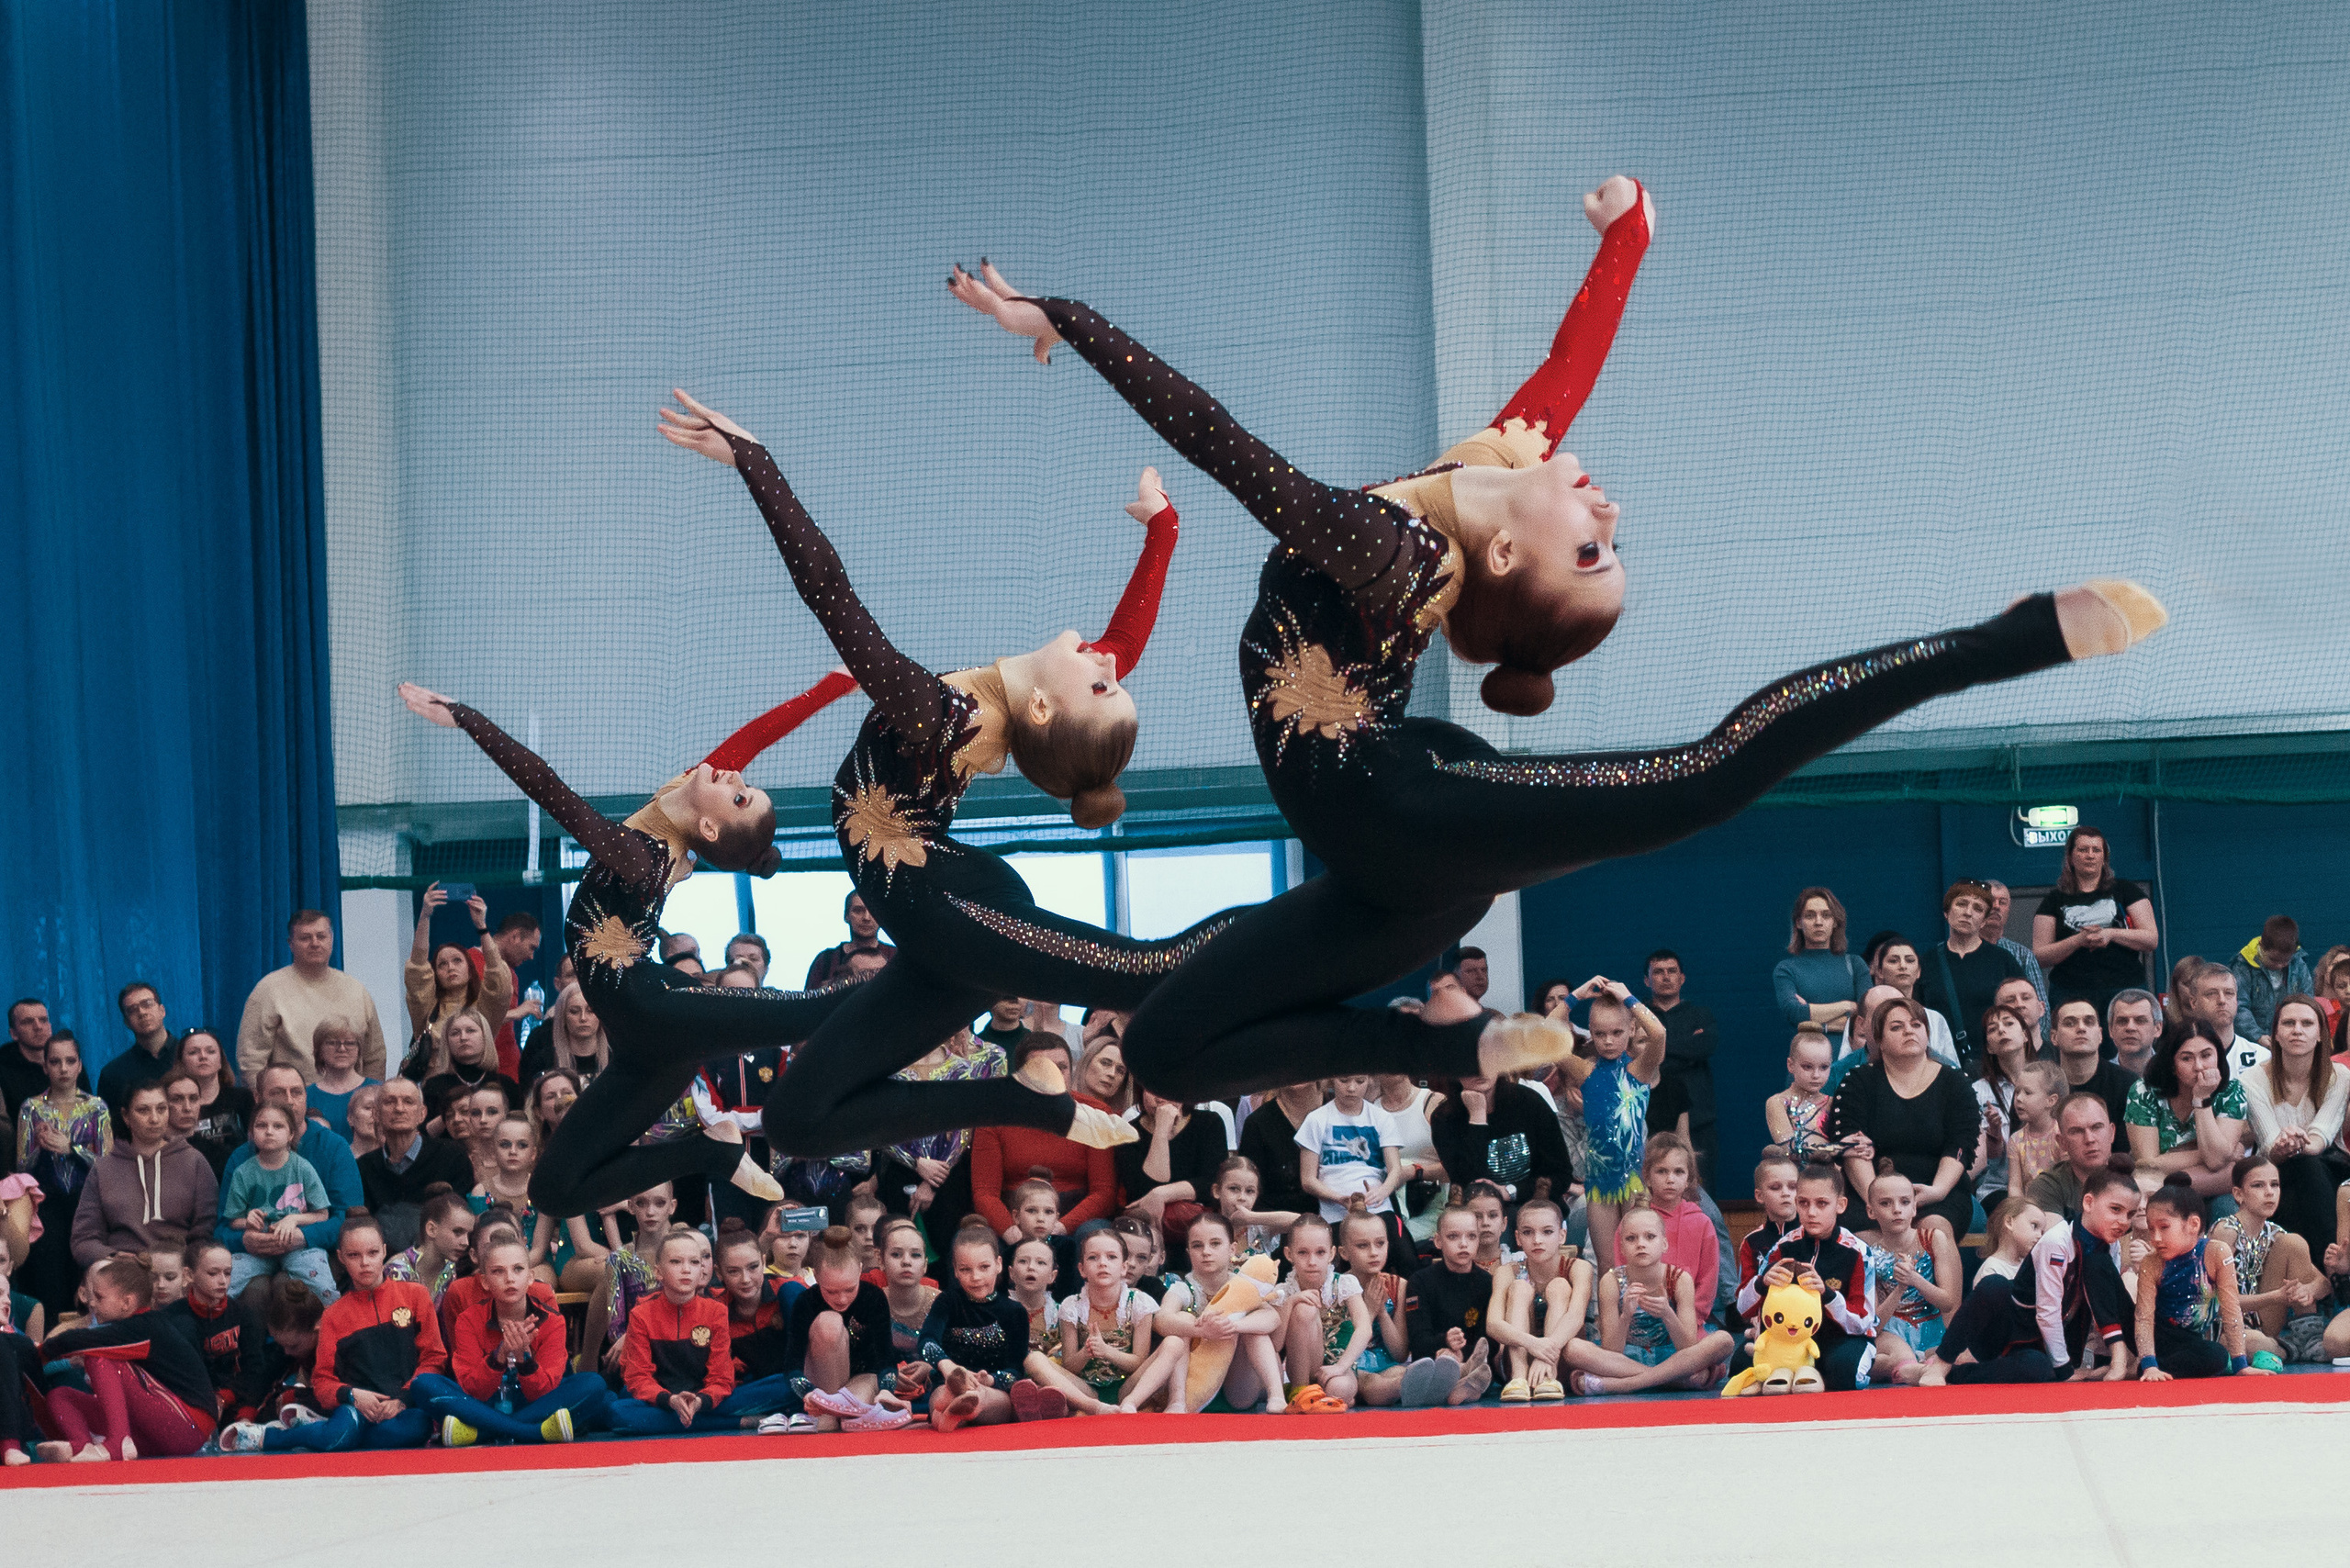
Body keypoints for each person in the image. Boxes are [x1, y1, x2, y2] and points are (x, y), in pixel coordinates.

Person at [952, 196, 2165, 1120]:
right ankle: (1449, 1050)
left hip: (1401, 813)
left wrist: (1058, 315)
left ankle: (2004, 640)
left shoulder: (1389, 551)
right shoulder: (1492, 472)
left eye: (1591, 547)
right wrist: (1627, 237)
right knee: (1161, 1055)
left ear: (1500, 569)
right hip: (1386, 861)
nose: (1609, 513)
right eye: (1605, 545)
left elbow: (1215, 441)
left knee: (1703, 777)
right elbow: (1565, 375)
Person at [655, 394, 1246, 1182]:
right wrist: (1162, 530)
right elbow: (1126, 641)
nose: (1108, 663)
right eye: (1111, 678)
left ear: (1047, 708)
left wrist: (756, 466)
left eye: (1106, 684)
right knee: (799, 1119)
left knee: (1146, 967)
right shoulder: (1028, 710)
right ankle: (1030, 1096)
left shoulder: (934, 713)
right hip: (944, 908)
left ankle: (1308, 940)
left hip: (953, 906)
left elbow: (829, 592)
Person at [399, 667, 871, 1223]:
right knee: (553, 1190)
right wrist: (835, 685)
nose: (735, 777)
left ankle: (904, 982)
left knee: (811, 1011)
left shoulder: (639, 854)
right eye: (745, 787)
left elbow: (549, 788)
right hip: (643, 1040)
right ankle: (706, 1151)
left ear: (712, 829)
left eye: (740, 796)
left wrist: (466, 717)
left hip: (649, 1001)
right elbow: (757, 734)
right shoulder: (690, 793)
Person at [219, 1215, 447, 1453]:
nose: (365, 1263)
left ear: (384, 1252)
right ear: (340, 1258)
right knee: (341, 1434)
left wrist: (403, 1399)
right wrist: (351, 1395)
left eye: (372, 1253)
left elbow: (434, 1358)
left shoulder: (415, 1296)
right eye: (353, 1255)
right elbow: (323, 1382)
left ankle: (324, 1430)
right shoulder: (333, 1315)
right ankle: (268, 1436)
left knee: (413, 1429)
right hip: (357, 1409)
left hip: (404, 1409)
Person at [1904, 1168, 2136, 1385]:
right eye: (2116, 1210)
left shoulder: (2108, 1247)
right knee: (1994, 1285)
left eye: (2131, 1214)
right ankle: (1941, 1363)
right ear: (2088, 1202)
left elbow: (2111, 1302)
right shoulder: (2058, 1241)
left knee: (2038, 1369)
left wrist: (2144, 1358)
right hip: (2011, 1325)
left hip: (2041, 1340)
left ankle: (1957, 1374)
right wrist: (2065, 1371)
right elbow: (2047, 1311)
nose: (2124, 1222)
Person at [416, 1236, 608, 1445]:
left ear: (531, 1277)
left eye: (518, 1269)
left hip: (535, 1406)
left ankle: (481, 1433)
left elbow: (544, 1392)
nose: (509, 1278)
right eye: (498, 1271)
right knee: (423, 1384)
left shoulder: (553, 1321)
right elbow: (473, 1390)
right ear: (485, 1281)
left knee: (593, 1384)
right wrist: (499, 1356)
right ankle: (534, 1432)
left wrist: (524, 1359)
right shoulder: (468, 1320)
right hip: (485, 1404)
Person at [30, 1257, 217, 1462]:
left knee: (99, 1356)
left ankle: (117, 1442)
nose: (92, 1303)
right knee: (60, 1395)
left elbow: (86, 1341)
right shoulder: (133, 1329)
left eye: (99, 1298)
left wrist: (41, 1352)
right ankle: (81, 1446)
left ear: (127, 1302)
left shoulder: (147, 1327)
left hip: (188, 1427)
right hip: (156, 1429)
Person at [1828, 996, 1979, 1238]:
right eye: (1897, 1027)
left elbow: (1961, 1144)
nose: (1909, 1030)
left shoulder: (1955, 1082)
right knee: (1865, 1239)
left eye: (1916, 1025)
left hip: (1936, 1191)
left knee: (1934, 1234)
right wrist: (1878, 1201)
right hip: (1872, 1191)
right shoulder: (1857, 1082)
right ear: (1879, 1040)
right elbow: (1852, 1149)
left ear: (1927, 1033)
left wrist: (1937, 1190)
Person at [1552, 978, 1667, 1268]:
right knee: (1606, 1265)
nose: (1608, 1040)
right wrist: (1577, 994)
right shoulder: (1586, 1073)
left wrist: (1629, 998)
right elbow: (1545, 1032)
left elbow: (1659, 1033)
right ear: (1590, 1033)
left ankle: (1640, 1314)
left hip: (1634, 1182)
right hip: (1599, 1185)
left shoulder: (1639, 1071)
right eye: (1600, 1034)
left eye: (1617, 1032)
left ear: (1630, 1030)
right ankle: (1607, 1316)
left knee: (1640, 1262)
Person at [214, 1064, 364, 1282]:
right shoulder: (241, 1157)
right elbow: (223, 1226)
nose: (290, 1100)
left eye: (296, 1092)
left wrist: (304, 1237)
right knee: (253, 1289)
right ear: (258, 1097)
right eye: (277, 1093)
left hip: (316, 1251)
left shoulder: (333, 1147)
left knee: (291, 1287)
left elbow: (350, 1218)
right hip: (253, 1254)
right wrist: (244, 1240)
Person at [970, 1033, 1119, 1241]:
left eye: (1062, 1067)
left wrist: (1061, 1226)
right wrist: (1010, 1231)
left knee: (1095, 1236)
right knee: (974, 1239)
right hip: (1014, 1213)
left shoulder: (1097, 1113)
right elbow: (985, 1193)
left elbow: (1104, 1193)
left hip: (1075, 1214)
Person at [1745, 1164, 1879, 1390]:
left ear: (1841, 1205)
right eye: (1804, 1203)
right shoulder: (1783, 1247)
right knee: (1740, 1364)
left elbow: (1863, 1322)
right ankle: (1808, 1374)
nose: (1811, 1212)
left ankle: (1825, 1372)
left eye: (1822, 1203)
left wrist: (1828, 1295)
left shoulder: (1858, 1252)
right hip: (1793, 1341)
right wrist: (1761, 1283)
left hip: (1844, 1339)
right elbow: (1743, 1310)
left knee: (1844, 1373)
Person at [1142, 1210, 1287, 1414]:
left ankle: (1277, 1396)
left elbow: (1272, 1318)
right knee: (1181, 1320)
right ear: (1188, 1252)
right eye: (1197, 1245)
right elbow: (1162, 1320)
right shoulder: (1183, 1289)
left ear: (1232, 1249)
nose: (1206, 1251)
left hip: (1237, 1393)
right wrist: (1202, 1330)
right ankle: (1177, 1402)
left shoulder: (1243, 1287)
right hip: (1192, 1387)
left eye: (1215, 1243)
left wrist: (1233, 1325)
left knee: (1255, 1330)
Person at [1585, 1201, 1735, 1394]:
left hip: (1672, 1356)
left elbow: (1687, 1346)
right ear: (1621, 1247)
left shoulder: (1680, 1279)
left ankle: (1623, 1385)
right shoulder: (1611, 1280)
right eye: (1631, 1238)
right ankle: (1672, 1380)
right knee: (1574, 1349)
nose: (1641, 1244)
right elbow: (1612, 1350)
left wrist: (1667, 1313)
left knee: (1724, 1340)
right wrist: (1626, 1316)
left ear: (1664, 1243)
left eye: (1650, 1237)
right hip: (1628, 1358)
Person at [71, 1081, 217, 1270]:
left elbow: (206, 1231)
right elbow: (84, 1239)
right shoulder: (104, 1167)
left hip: (178, 1269)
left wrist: (182, 1263)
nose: (154, 1119)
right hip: (122, 1268)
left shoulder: (194, 1161)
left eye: (161, 1109)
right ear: (126, 1116)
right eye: (143, 1110)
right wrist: (112, 1256)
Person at [913, 1226, 1044, 1431]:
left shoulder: (1014, 1312)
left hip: (991, 1393)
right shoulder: (947, 1302)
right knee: (940, 1396)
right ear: (955, 1270)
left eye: (984, 1267)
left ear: (998, 1264)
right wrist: (948, 1368)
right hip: (947, 1384)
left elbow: (1016, 1369)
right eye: (966, 1269)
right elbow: (926, 1340)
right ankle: (949, 1412)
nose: (975, 1277)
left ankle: (966, 1406)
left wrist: (990, 1379)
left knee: (982, 1396)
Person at [236, 910, 390, 1083]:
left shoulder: (356, 990)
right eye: (305, 938)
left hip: (352, 1103)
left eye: (321, 936)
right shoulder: (269, 990)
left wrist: (370, 1097)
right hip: (290, 1101)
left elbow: (375, 1055)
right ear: (290, 944)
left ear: (331, 940)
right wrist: (267, 1103)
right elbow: (251, 1060)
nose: (315, 943)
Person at [2239, 996, 2344, 1251]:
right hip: (2274, 1171)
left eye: (2307, 1023)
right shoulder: (2251, 1079)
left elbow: (2322, 1136)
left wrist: (2298, 1145)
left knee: (2308, 1166)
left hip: (2329, 1168)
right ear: (2275, 1033)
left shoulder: (2340, 1076)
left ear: (2321, 1034)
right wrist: (2283, 1146)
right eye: (2288, 1023)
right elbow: (2268, 1145)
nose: (2297, 1030)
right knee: (2300, 1172)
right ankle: (2330, 1270)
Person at [16, 1032, 110, 1313]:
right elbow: (22, 1169)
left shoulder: (96, 1107)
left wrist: (72, 1148)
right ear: (44, 1066)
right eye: (55, 1062)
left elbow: (107, 1165)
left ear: (80, 1065)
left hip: (87, 1203)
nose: (64, 1068)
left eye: (70, 1061)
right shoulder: (31, 1108)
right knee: (50, 1277)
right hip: (46, 1205)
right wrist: (41, 1147)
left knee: (86, 1274)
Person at [787, 1226, 913, 1432]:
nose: (842, 1299)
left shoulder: (873, 1297)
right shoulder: (805, 1303)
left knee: (849, 1419)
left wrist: (887, 1390)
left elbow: (885, 1356)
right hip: (821, 1382)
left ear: (860, 1269)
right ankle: (833, 1414)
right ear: (816, 1276)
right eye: (831, 1291)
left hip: (862, 1378)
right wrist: (808, 1392)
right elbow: (792, 1364)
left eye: (850, 1288)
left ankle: (848, 1413)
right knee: (829, 1322)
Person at [2133, 1176, 2260, 1381]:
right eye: (2151, 1229)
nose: (2155, 1238)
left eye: (2164, 1227)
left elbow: (2231, 1308)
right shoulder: (2152, 1262)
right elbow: (2144, 1317)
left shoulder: (2216, 1252)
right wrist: (2149, 1364)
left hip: (2188, 1341)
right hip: (2159, 1332)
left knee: (2217, 1355)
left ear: (2193, 1224)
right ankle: (2148, 1365)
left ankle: (2157, 1367)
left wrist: (2240, 1364)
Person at [2029, 827, 2159, 1023]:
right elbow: (2039, 956)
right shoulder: (2053, 900)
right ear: (2071, 857)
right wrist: (2078, 940)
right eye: (2083, 850)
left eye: (2096, 850)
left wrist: (2110, 934)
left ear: (2104, 857)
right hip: (2071, 993)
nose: (2090, 855)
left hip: (2124, 990)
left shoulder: (2126, 891)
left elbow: (2151, 939)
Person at [2212, 1158, 2325, 1363]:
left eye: (2275, 1184)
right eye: (2258, 1185)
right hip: (2224, 1326)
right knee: (2252, 1343)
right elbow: (2219, 1303)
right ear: (2238, 1194)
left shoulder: (2275, 1233)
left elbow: (2323, 1283)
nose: (2269, 1192)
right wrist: (2276, 1297)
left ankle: (2308, 1339)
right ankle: (2289, 1350)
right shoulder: (2226, 1232)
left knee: (2295, 1242)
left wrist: (2308, 1291)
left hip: (2262, 1322)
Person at [219, 1103, 334, 1300]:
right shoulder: (243, 1172)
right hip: (258, 1248)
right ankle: (218, 1324)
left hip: (297, 1245)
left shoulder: (303, 1168)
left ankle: (330, 1323)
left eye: (278, 1126)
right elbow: (232, 1220)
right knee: (225, 1283)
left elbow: (322, 1214)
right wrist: (247, 1220)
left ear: (291, 1134)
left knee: (322, 1282)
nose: (269, 1132)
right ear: (251, 1132)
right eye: (261, 1126)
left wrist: (293, 1219)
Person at [1428, 1067, 1575, 1220]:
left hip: (1534, 1208)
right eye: (1469, 1064)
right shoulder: (1444, 1118)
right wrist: (1477, 1120)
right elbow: (1467, 1182)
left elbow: (1561, 1174)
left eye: (1486, 1062)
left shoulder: (1529, 1103)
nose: (1479, 1070)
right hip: (1478, 1215)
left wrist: (1510, 1191)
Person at [404, 883, 514, 1083]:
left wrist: (482, 927)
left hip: (481, 1091)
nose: (450, 967)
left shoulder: (485, 1009)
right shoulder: (426, 1008)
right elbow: (417, 968)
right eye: (442, 964)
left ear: (470, 969)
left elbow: (500, 981)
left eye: (457, 961)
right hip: (434, 1093)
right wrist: (425, 916)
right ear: (435, 973)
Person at [1482, 1197, 1588, 1402]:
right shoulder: (1506, 1272)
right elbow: (1492, 1324)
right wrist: (1533, 1345)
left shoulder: (1578, 1268)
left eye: (1547, 1232)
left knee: (1559, 1286)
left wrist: (1547, 1353)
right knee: (1520, 1287)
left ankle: (1548, 1375)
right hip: (1515, 1363)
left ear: (1561, 1235)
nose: (1537, 1240)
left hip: (1560, 1361)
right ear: (1518, 1238)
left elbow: (1576, 1316)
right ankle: (1519, 1378)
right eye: (1528, 1232)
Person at [2126, 1021, 2246, 1201]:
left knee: (2229, 1190)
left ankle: (2173, 1187)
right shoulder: (2144, 1091)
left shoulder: (2231, 1091)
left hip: (2207, 1188)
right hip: (2155, 1192)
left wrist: (2201, 1099)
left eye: (2206, 1056)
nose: (2199, 1066)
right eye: (2187, 1058)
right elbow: (2148, 1165)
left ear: (2219, 1057)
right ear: (2172, 1065)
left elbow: (2215, 1161)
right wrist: (2214, 1153)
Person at [1855, 1168, 1958, 1372]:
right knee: (1903, 1358)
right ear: (1871, 1211)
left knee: (1958, 1355)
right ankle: (1912, 1369)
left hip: (1931, 1327)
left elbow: (1947, 1303)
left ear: (1914, 1208)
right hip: (1890, 1331)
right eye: (1885, 1203)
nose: (1896, 1209)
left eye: (1904, 1202)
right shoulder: (1867, 1252)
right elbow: (1874, 1325)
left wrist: (1915, 1279)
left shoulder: (1933, 1238)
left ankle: (1916, 1369)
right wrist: (1900, 1288)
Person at [355, 1077, 476, 1249]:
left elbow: (460, 1223)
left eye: (408, 1102)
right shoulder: (364, 1167)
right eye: (390, 1102)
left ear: (422, 1114)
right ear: (376, 1114)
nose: (399, 1108)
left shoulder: (452, 1156)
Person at [1915, 881, 2024, 1070]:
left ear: (1983, 920)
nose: (1968, 912)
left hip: (1996, 1062)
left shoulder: (2003, 960)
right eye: (1961, 904)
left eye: (1978, 908)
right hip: (1940, 1064)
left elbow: (2023, 1010)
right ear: (1946, 912)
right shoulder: (1926, 963)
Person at [1398, 1207, 1496, 1407]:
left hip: (1472, 1361)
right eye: (1453, 1236)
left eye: (1471, 1236)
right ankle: (1459, 1383)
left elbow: (1491, 1342)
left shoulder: (1487, 1282)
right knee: (1444, 1365)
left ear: (1479, 1240)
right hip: (1433, 1361)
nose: (1463, 1244)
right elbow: (1417, 1340)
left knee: (1480, 1368)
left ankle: (1463, 1383)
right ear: (1438, 1241)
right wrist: (1443, 1342)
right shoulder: (1420, 1281)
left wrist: (1463, 1354)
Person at [1116, 1088, 1231, 1249]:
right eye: (1152, 1088)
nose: (1161, 1099)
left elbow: (1212, 1183)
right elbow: (1143, 1191)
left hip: (1198, 1228)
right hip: (1148, 1232)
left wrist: (1162, 1194)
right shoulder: (1128, 1132)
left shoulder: (1209, 1122)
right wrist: (1161, 1131)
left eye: (1168, 1088)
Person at [1058, 1226, 1155, 1411]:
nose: (1102, 1263)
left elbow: (1139, 1362)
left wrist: (1106, 1351)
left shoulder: (1139, 1302)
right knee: (1034, 1360)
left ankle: (1131, 1403)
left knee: (1174, 1343)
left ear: (1123, 1267)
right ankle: (1093, 1407)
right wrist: (1086, 1353)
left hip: (1127, 1387)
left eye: (1111, 1257)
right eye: (1093, 1257)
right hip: (1086, 1390)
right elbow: (1069, 1367)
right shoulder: (1072, 1306)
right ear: (1082, 1269)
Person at [1644, 949, 1718, 1181]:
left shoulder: (1701, 1015)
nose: (1666, 977)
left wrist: (1657, 1046)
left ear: (1682, 978)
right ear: (1647, 980)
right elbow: (1637, 1056)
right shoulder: (1640, 1016)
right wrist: (1686, 1049)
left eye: (1671, 971)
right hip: (1650, 1119)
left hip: (1699, 1120)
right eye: (1658, 972)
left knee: (1700, 1189)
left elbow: (1705, 1047)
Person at [1773, 889, 1872, 1039]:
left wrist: (1815, 1019)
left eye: (1826, 915)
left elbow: (1867, 1018)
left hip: (1854, 1058)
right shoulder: (1786, 969)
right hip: (1809, 1058)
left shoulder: (1855, 964)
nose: (1818, 922)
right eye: (1810, 916)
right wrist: (1848, 1006)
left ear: (1835, 922)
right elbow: (1795, 1013)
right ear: (1799, 922)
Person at [2026, 1094, 2123, 1222]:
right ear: (2062, 1142)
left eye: (2097, 1127)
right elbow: (2055, 1241)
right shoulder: (2046, 1187)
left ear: (2111, 1133)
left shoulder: (2134, 1179)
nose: (2089, 1139)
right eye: (2077, 1131)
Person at [2050, 999, 2134, 1144]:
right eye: (2070, 1023)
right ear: (2054, 1037)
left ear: (2100, 1035)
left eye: (2089, 1022)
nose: (2081, 1028)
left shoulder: (2129, 1085)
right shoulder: (2039, 1085)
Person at [1236, 1080, 1321, 1222]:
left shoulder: (1340, 1114)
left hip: (1337, 1224)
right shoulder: (1257, 1123)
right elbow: (1251, 1191)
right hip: (1274, 1227)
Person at [95, 981, 178, 1127]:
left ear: (162, 1010)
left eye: (147, 1004)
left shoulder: (191, 1056)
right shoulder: (112, 1074)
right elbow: (110, 1133)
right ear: (126, 1022)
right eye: (133, 1010)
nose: (142, 1012)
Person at [173, 1028, 252, 1170]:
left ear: (221, 1061)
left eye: (210, 1051)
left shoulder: (243, 1098)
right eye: (193, 1052)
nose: (203, 1056)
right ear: (182, 1063)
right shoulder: (172, 1103)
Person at [2229, 916, 2313, 1045]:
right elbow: (2239, 1006)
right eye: (2274, 960)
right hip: (2254, 1040)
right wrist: (2257, 1036)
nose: (2280, 965)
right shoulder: (2243, 966)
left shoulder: (2298, 964)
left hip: (2290, 1037)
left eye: (2286, 961)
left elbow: (2307, 1000)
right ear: (2262, 946)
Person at [0, 998, 78, 1127]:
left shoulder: (69, 1060)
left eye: (43, 1020)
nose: (38, 1027)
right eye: (28, 1022)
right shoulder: (3, 1068)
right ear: (13, 1034)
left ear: (50, 1027)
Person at [2181, 962, 2269, 1077]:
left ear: (2236, 1000)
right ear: (2193, 1002)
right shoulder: (2179, 1058)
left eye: (2229, 993)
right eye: (2211, 994)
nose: (2222, 1000)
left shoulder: (2262, 1058)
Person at [1980, 881, 2051, 1021]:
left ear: (2009, 908)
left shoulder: (2023, 955)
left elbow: (2042, 1012)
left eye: (2003, 902)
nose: (1996, 907)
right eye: (1990, 900)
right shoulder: (1964, 953)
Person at [1764, 1024, 1836, 1160]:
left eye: (1824, 1067)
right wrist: (1842, 1149)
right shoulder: (1778, 1102)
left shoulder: (1833, 1103)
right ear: (1791, 1065)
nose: (1816, 1075)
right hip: (1795, 1177)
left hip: (1829, 1177)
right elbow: (1791, 1150)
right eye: (1807, 1067)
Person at [520, 983, 610, 1087]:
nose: (583, 1018)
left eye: (591, 1011)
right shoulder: (544, 1062)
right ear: (563, 1017)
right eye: (574, 1011)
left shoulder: (617, 1060)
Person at [304, 1021, 377, 1143]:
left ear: (359, 1050)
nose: (342, 1049)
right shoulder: (305, 1096)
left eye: (350, 1043)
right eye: (332, 1043)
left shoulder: (378, 1090)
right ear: (319, 1051)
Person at [804, 893, 897, 989]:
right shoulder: (826, 961)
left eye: (873, 911)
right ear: (846, 916)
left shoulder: (897, 956)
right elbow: (809, 1001)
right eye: (858, 911)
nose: (866, 918)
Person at [2004, 1062, 2066, 1200]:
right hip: (2029, 1207)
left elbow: (2068, 1181)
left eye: (2028, 1092)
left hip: (2060, 1205)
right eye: (2017, 1092)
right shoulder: (2016, 1140)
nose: (2019, 1098)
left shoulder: (2061, 1135)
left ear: (2051, 1100)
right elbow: (2015, 1186)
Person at [1975, 1195, 2052, 1284]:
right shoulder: (1991, 1269)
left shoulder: (2031, 1267)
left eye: (2042, 1232)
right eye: (2034, 1225)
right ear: (2009, 1222)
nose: (2039, 1236)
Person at [2108, 989, 2163, 1076]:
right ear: (2110, 1030)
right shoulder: (2100, 1076)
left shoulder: (2174, 1074)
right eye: (2122, 1021)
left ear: (2158, 1029)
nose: (2130, 1027)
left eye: (2140, 1020)